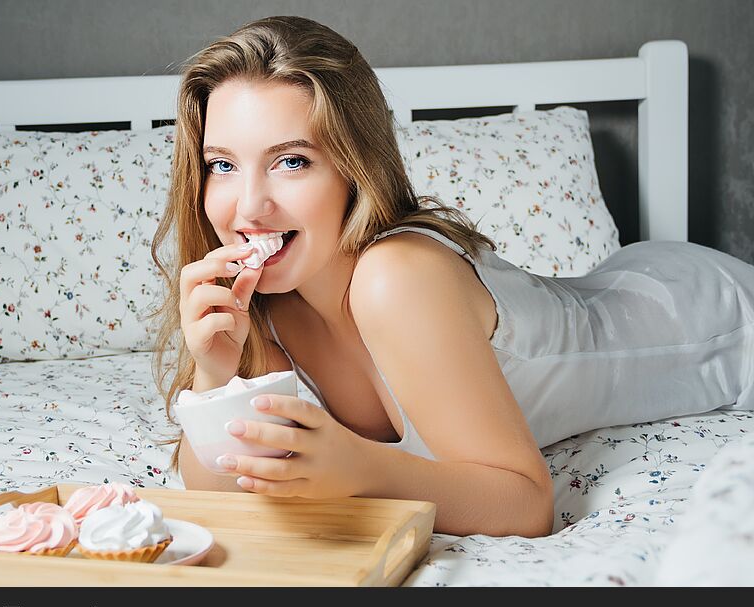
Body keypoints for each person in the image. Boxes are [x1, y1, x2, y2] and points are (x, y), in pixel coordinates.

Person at [148, 15, 754, 538]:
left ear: (354, 168)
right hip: (617, 283)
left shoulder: (397, 276)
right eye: (222, 165)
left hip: (706, 317)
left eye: (291, 161)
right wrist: (214, 373)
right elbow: (215, 498)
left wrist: (364, 471)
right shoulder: (272, 303)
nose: (248, 207)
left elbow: (527, 504)